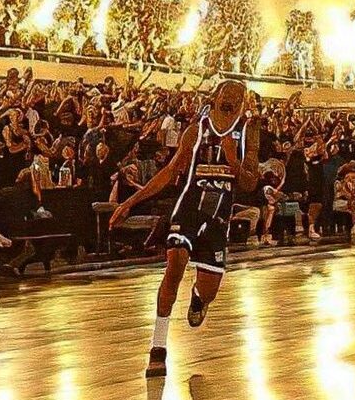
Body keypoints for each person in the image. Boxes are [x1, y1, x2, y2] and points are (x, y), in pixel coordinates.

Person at [108, 80, 261, 379]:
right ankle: (158, 348)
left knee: (209, 290)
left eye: (237, 98)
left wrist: (232, 160)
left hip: (218, 218)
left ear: (243, 104)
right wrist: (129, 202)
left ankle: (199, 298)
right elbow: (170, 172)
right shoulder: (196, 130)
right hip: (189, 208)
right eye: (226, 96)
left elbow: (249, 183)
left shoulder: (248, 133)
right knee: (175, 262)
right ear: (215, 98)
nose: (230, 102)